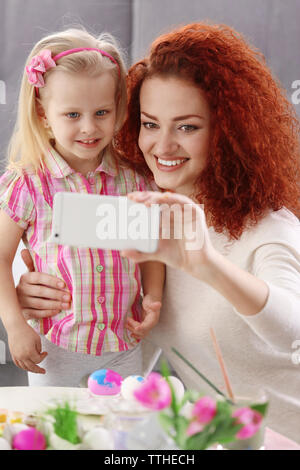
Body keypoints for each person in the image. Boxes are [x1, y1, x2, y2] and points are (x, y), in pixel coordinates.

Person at [15, 23, 300, 442]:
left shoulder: (268, 228)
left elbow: (292, 329)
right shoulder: (134, 207)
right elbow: (100, 298)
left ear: (227, 132)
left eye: (187, 127)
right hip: (216, 438)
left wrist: (207, 265)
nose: (162, 146)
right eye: (150, 123)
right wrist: (31, 290)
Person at [0, 28, 165, 387]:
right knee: (61, 436)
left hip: (124, 345)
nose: (89, 128)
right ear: (44, 114)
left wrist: (153, 297)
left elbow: (148, 248)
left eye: (101, 112)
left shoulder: (135, 181)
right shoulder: (30, 183)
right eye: (72, 114)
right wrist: (14, 324)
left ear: (118, 109)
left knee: (123, 435)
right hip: (56, 348)